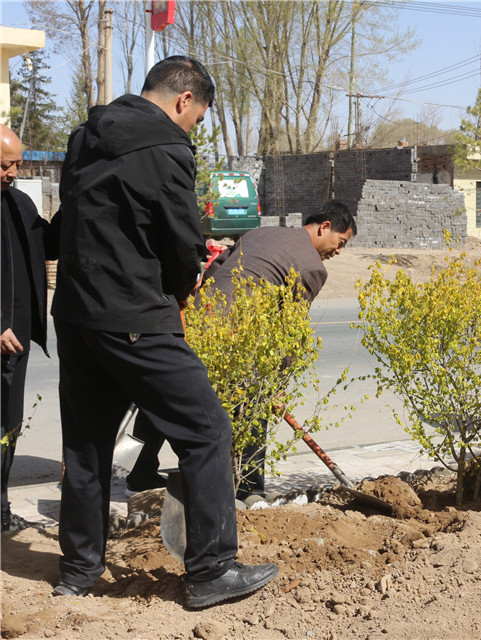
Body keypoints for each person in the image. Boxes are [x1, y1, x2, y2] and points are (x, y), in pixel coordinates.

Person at [51, 55, 278, 608]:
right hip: (135, 313)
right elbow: (178, 238)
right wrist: (184, 284)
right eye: (197, 118)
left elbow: (72, 220)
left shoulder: (84, 136)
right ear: (184, 100)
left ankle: (78, 571)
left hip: (77, 313)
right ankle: (210, 570)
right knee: (207, 430)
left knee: (86, 445)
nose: (193, 127)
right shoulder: (168, 147)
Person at [125, 200, 357, 501]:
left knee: (169, 392)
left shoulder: (261, 232)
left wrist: (204, 313)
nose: (338, 252)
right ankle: (249, 490)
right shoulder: (312, 266)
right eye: (341, 243)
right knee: (255, 401)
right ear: (325, 227)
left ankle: (141, 473)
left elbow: (216, 268)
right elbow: (290, 327)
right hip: (237, 335)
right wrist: (276, 382)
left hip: (200, 322)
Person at [1, 124, 58, 533]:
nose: (13, 173)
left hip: (15, 344)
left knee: (8, 425)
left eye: (17, 165)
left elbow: (47, 244)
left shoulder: (19, 203)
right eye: (5, 165)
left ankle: (1, 507)